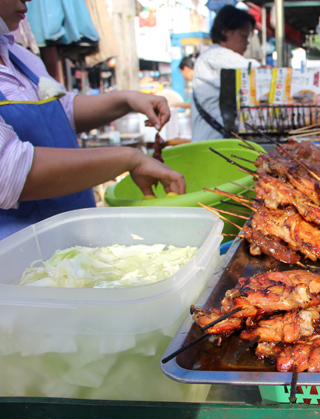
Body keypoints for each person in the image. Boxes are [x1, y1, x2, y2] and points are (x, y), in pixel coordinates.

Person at [0, 0, 186, 240]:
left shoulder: (18, 55)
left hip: (72, 241)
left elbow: (59, 110)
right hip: (15, 254)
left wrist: (127, 100)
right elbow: (9, 170)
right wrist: (129, 159)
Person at [191, 5, 261, 142]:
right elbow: (257, 68)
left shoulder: (212, 56)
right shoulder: (214, 55)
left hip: (213, 141)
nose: (247, 43)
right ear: (225, 31)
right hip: (210, 144)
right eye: (243, 37)